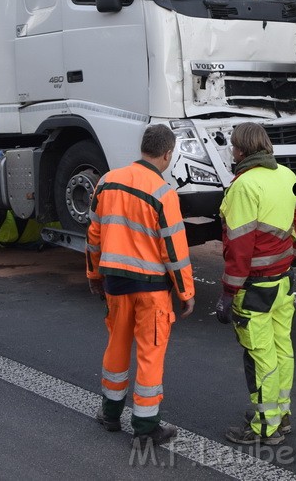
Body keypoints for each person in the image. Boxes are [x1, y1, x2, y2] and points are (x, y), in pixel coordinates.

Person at [86, 124, 195, 447]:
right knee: (149, 354)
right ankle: (145, 428)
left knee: (117, 346)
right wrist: (186, 292)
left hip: (116, 284)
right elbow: (173, 250)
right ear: (167, 153)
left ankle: (110, 414)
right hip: (151, 290)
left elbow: (94, 236)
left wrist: (94, 275)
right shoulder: (163, 192)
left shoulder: (107, 182)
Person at [216, 122, 296, 446]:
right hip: (283, 282)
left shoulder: (244, 186)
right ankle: (281, 414)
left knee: (259, 357)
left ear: (241, 150)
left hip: (254, 288)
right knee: (283, 350)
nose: (231, 151)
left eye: (232, 146)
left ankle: (264, 427)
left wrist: (228, 293)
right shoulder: (286, 175)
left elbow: (239, 248)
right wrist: (284, 259)